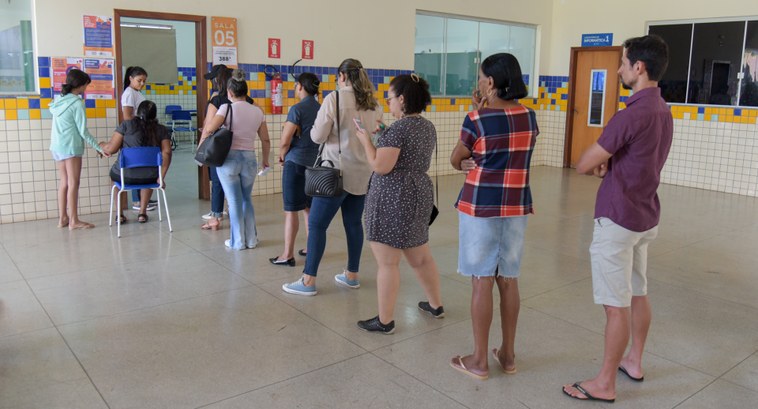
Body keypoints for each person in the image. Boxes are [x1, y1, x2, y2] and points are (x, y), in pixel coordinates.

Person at [562, 35, 672, 403]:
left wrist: (602, 161)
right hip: (645, 216)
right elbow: (640, 158)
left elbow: (582, 162)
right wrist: (613, 162)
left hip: (618, 218)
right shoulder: (662, 111)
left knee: (615, 304)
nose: (620, 68)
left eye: (623, 63)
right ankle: (634, 362)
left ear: (639, 68)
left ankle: (604, 383)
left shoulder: (631, 114)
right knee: (638, 292)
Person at [448, 53, 538, 380]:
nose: (479, 82)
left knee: (481, 279)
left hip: (481, 205)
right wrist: (482, 106)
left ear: (490, 82)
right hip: (516, 206)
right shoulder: (530, 116)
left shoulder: (476, 119)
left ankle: (479, 360)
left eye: (481, 77)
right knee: (508, 279)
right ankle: (509, 355)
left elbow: (457, 158)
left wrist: (478, 111)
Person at [282, 58, 383, 296]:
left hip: (334, 173)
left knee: (317, 224)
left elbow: (317, 136)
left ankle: (308, 281)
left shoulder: (333, 99)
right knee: (353, 224)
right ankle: (351, 275)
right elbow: (375, 136)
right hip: (362, 173)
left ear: (343, 76)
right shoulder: (373, 104)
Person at [354, 74, 445, 334]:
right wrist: (384, 135)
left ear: (402, 99)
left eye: (391, 98)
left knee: (387, 263)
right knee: (421, 256)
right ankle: (435, 305)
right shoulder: (426, 126)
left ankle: (385, 320)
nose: (388, 102)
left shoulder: (399, 129)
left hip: (394, 197)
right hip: (419, 195)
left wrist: (366, 141)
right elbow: (407, 153)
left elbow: (381, 166)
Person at [199, 69, 271, 250]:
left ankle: (237, 242)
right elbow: (265, 139)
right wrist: (265, 160)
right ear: (246, 92)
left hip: (229, 160)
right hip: (249, 160)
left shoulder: (226, 108)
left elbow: (209, 130)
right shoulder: (257, 111)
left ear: (230, 92)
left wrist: (207, 134)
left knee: (234, 201)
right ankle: (252, 240)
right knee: (246, 199)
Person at [270, 72, 321, 266]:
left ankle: (287, 254)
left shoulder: (297, 109)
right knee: (309, 208)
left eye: (295, 85)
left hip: (296, 163)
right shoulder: (322, 109)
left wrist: (282, 155)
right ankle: (310, 248)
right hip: (315, 164)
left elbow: (285, 139)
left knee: (291, 210)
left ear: (300, 86)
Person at [48, 69, 106, 230]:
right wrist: (99, 148)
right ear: (80, 85)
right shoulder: (77, 103)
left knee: (64, 182)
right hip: (71, 146)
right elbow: (83, 131)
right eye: (86, 85)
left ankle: (63, 219)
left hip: (57, 147)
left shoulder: (59, 101)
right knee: (74, 182)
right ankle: (74, 221)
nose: (86, 88)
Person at [200, 64, 256, 230]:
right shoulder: (250, 101)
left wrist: (200, 149)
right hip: (246, 150)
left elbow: (208, 126)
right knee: (241, 189)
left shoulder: (217, 100)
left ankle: (216, 217)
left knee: (217, 182)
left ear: (218, 81)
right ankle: (238, 218)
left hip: (220, 149)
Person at [99, 100, 173, 224]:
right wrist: (161, 176)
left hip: (125, 177)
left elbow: (111, 149)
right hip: (151, 177)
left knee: (114, 177)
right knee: (149, 170)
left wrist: (101, 145)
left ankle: (119, 215)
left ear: (137, 112)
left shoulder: (126, 125)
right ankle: (142, 213)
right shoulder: (161, 129)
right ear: (154, 115)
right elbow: (167, 152)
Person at [120, 66, 156, 212]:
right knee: (137, 165)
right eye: (139, 80)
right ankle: (137, 201)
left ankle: (143, 198)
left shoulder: (136, 92)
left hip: (141, 131)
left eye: (144, 81)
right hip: (135, 133)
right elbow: (127, 116)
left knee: (143, 164)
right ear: (130, 78)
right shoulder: (129, 93)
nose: (142, 83)